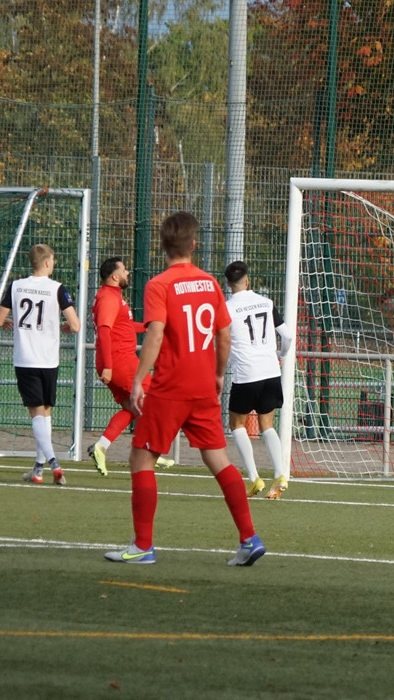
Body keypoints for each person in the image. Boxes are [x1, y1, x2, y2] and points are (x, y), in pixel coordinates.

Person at [104, 211, 265, 566]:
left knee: (141, 458)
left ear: (163, 245)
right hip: (203, 385)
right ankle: (249, 538)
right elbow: (224, 335)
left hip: (170, 387)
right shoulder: (210, 284)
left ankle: (143, 546)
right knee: (218, 458)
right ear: (194, 245)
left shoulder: (159, 285)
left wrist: (138, 379)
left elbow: (155, 333)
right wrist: (218, 374)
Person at [0, 244, 81, 485]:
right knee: (45, 412)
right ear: (48, 263)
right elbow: (75, 325)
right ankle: (39, 469)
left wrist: (8, 322)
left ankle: (53, 464)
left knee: (37, 414)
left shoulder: (17, 286)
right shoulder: (57, 289)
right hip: (49, 360)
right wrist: (64, 326)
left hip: (26, 359)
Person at [87, 256, 174, 476]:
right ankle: (149, 451)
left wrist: (148, 326)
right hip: (119, 361)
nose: (128, 273)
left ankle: (101, 447)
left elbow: (122, 326)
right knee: (153, 399)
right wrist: (108, 366)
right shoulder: (108, 298)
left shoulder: (112, 296)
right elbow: (105, 331)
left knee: (132, 408)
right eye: (124, 270)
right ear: (114, 277)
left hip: (117, 360)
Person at [223, 260, 294, 499]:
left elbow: (220, 341)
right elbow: (287, 336)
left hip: (246, 373)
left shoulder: (227, 308)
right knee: (267, 425)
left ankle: (254, 478)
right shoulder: (266, 302)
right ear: (248, 281)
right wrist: (281, 355)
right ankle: (280, 474)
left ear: (228, 284)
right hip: (271, 372)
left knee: (237, 425)